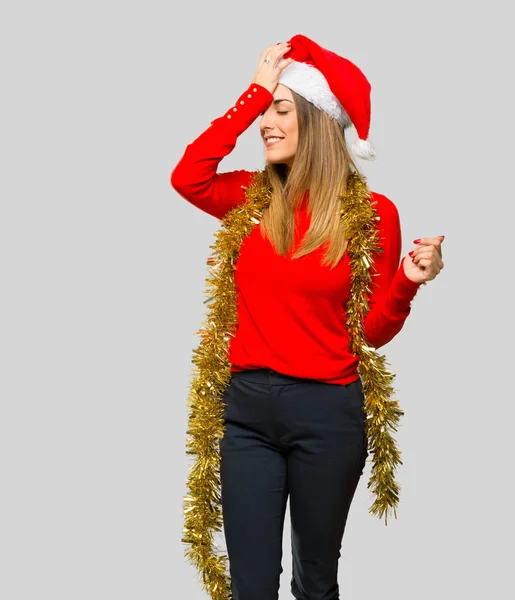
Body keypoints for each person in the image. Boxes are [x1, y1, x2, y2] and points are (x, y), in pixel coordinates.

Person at [171, 34, 444, 600]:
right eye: (265, 110)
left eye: (281, 109)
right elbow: (188, 176)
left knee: (315, 583)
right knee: (250, 587)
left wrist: (407, 285)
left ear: (318, 121)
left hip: (328, 413)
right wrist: (254, 92)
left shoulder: (372, 214)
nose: (266, 123)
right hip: (245, 413)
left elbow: (371, 332)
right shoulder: (248, 198)